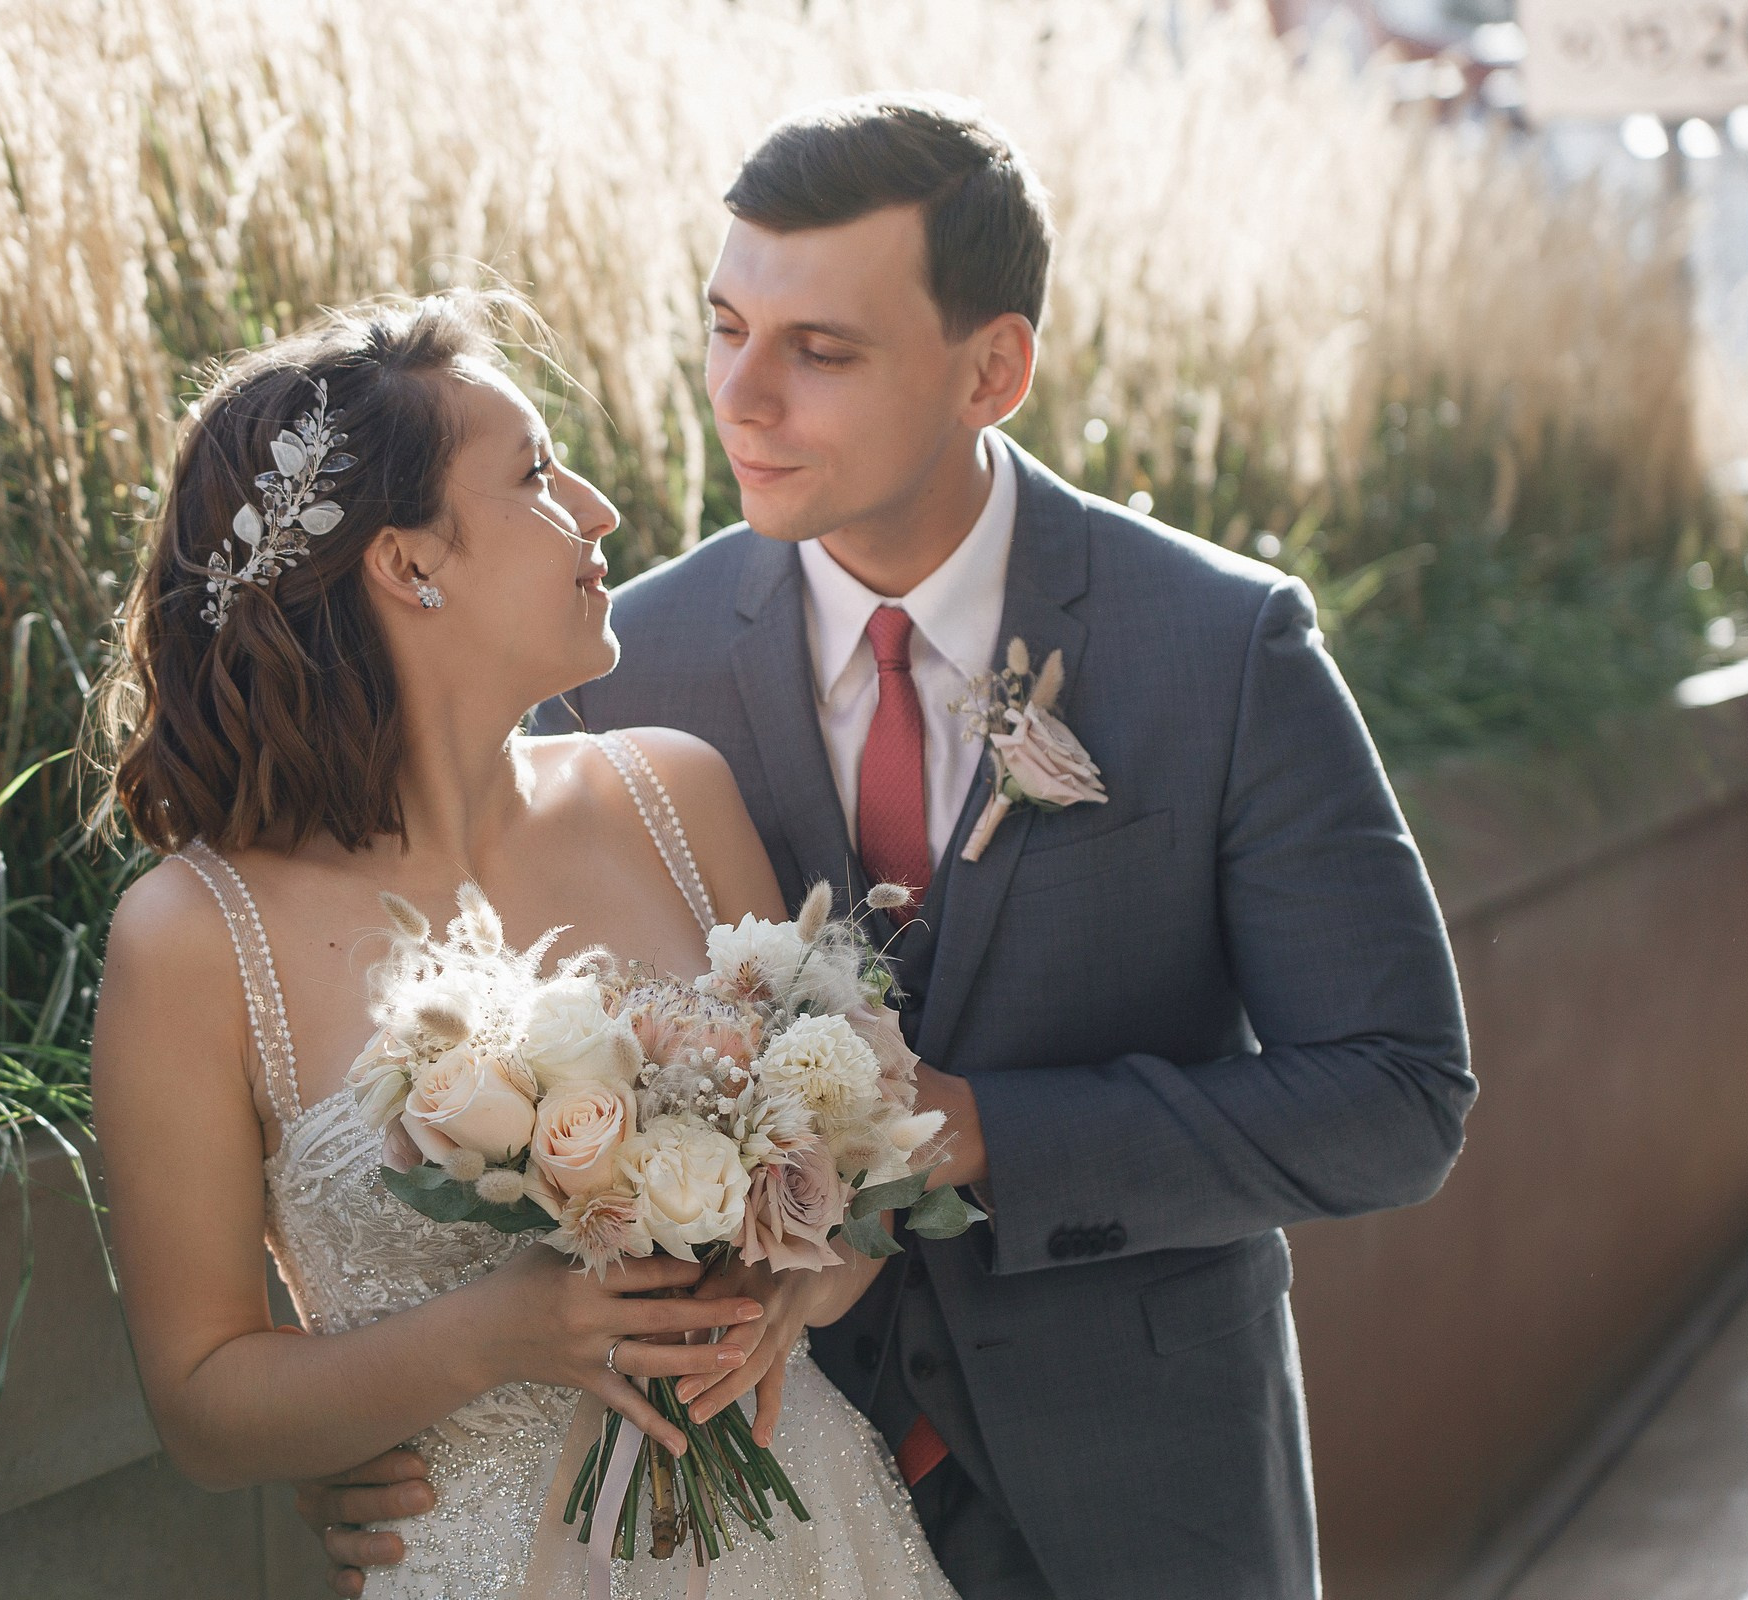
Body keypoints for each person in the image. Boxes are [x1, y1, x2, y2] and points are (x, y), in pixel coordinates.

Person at [302, 93, 1475, 1599]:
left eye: (821, 352)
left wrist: (982, 1128)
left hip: (1151, 1500)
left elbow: (1399, 1095)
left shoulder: (1222, 643)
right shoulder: (617, 663)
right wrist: (410, 1446)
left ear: (994, 368)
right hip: (755, 1508)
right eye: (726, 328)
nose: (743, 396)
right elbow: (481, 1074)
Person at [89, 291, 961, 1596]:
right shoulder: (192, 939)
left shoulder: (674, 792)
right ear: (407, 564)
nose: (599, 511)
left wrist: (793, 1287)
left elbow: (853, 1187)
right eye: (538, 476)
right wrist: (493, 1335)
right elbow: (207, 1403)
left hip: (803, 1536)